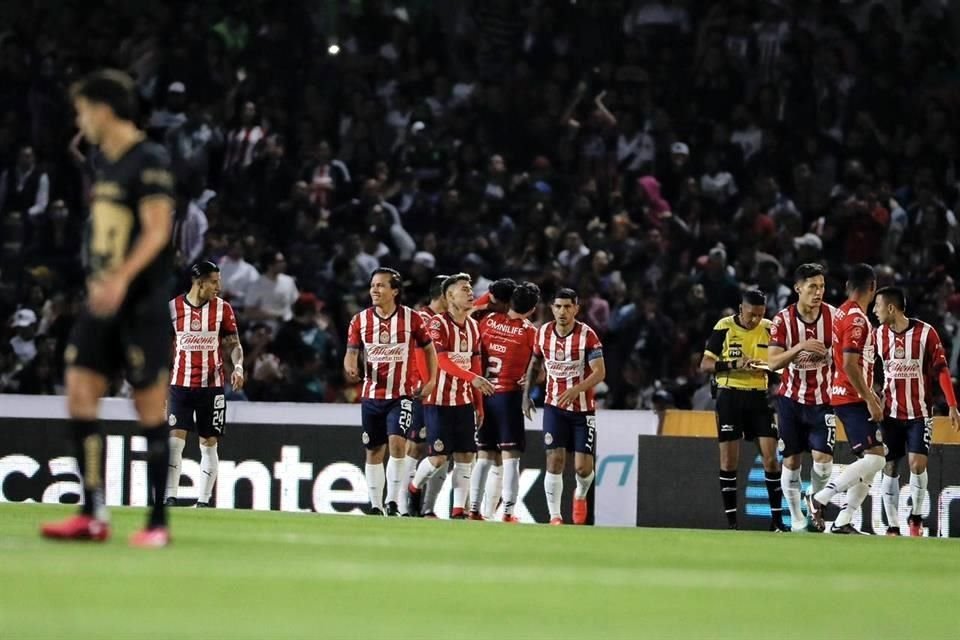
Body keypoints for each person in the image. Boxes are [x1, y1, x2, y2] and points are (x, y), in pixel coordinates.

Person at [41, 70, 176, 547]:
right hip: (101, 301)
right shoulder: (106, 161)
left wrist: (121, 278)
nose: (80, 120)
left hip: (140, 305)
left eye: (82, 110)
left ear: (101, 109)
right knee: (79, 392)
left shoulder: (150, 159)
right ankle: (93, 512)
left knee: (148, 409)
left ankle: (158, 523)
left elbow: (158, 229)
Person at [345, 268, 437, 516]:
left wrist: (430, 382)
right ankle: (375, 505)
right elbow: (351, 353)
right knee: (374, 450)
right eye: (373, 285)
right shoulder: (360, 320)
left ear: (395, 291)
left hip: (401, 395)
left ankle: (393, 501)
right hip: (371, 395)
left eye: (380, 285)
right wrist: (351, 366)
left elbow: (429, 351)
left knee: (397, 444)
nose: (374, 290)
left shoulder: (412, 319)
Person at [873, 286, 960, 536]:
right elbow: (868, 368)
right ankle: (891, 526)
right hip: (889, 414)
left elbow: (941, 369)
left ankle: (916, 518)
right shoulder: (878, 335)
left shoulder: (925, 333)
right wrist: (872, 394)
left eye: (878, 306)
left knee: (917, 464)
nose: (875, 311)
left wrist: (952, 405)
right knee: (889, 467)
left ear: (891, 307)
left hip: (919, 413)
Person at [406, 273, 495, 519]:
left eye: (470, 288)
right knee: (437, 459)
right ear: (449, 296)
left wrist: (479, 405)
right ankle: (412, 488)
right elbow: (442, 361)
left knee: (467, 456)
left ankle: (457, 511)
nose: (470, 292)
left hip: (464, 401)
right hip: (438, 401)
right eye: (464, 289)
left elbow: (476, 365)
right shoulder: (437, 324)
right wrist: (472, 379)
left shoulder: (474, 327)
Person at [700, 289, 784, 531]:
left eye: (760, 315)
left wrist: (769, 369)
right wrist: (734, 364)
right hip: (730, 396)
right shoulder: (725, 327)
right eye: (751, 315)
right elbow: (705, 364)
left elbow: (781, 361)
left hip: (759, 397)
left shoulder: (770, 328)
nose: (756, 320)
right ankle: (732, 523)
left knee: (771, 458)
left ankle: (777, 521)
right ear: (741, 309)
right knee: (729, 461)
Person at [809, 264, 885, 535]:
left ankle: (843, 522)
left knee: (873, 459)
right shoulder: (856, 318)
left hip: (843, 393)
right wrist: (870, 398)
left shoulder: (840, 312)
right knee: (877, 459)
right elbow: (851, 364)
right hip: (851, 396)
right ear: (873, 287)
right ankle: (820, 498)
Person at [523, 288, 607, 525]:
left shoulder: (587, 336)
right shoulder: (543, 333)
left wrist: (575, 390)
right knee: (554, 460)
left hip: (583, 410)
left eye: (568, 307)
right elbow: (535, 362)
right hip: (553, 407)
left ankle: (580, 494)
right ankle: (555, 516)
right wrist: (526, 394)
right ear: (552, 308)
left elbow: (600, 372)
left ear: (576, 309)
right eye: (558, 306)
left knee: (582, 468)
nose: (562, 311)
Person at [165, 260, 244, 508]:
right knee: (175, 443)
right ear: (199, 283)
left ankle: (204, 501)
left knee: (209, 444)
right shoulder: (173, 308)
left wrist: (238, 366)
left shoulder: (224, 309)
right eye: (214, 282)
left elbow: (234, 345)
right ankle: (170, 496)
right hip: (180, 386)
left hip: (212, 387)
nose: (218, 287)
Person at [767, 263, 836, 533]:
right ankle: (797, 519)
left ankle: (814, 505)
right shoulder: (783, 320)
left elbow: (847, 354)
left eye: (821, 286)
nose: (818, 292)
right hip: (790, 401)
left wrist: (834, 357)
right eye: (812, 287)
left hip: (824, 400)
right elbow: (772, 363)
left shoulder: (833, 317)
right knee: (792, 461)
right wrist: (800, 347)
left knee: (823, 461)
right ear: (798, 288)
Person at [470, 282, 540, 522]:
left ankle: (473, 510)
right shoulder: (531, 332)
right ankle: (508, 512)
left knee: (484, 456)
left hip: (483, 393)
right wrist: (529, 380)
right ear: (532, 310)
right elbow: (540, 367)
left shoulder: (487, 321)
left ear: (510, 302)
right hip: (508, 396)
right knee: (511, 456)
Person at [399, 274, 448, 517]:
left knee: (442, 451)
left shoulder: (451, 320)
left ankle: (428, 509)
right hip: (421, 391)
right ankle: (401, 504)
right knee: (415, 447)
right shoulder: (421, 318)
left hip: (446, 395)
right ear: (443, 294)